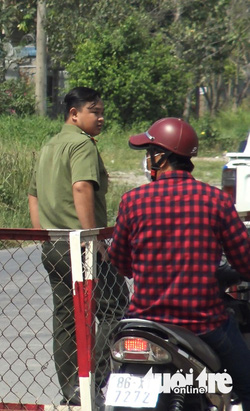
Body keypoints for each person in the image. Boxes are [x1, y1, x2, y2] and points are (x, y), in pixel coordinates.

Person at [108, 117, 250, 409]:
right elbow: (245, 261)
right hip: (204, 324)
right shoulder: (215, 201)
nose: (148, 161)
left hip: (144, 325)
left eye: (149, 154)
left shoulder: (132, 201)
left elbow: (121, 262)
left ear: (162, 157)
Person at [27, 87, 128, 405]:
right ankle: (92, 380)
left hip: (55, 244)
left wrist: (41, 233)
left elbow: (33, 194)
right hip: (81, 245)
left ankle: (72, 390)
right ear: (74, 114)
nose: (101, 118)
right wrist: (92, 238)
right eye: (94, 112)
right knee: (117, 307)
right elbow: (82, 187)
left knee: (66, 316)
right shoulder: (82, 145)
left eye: (101, 112)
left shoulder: (50, 144)